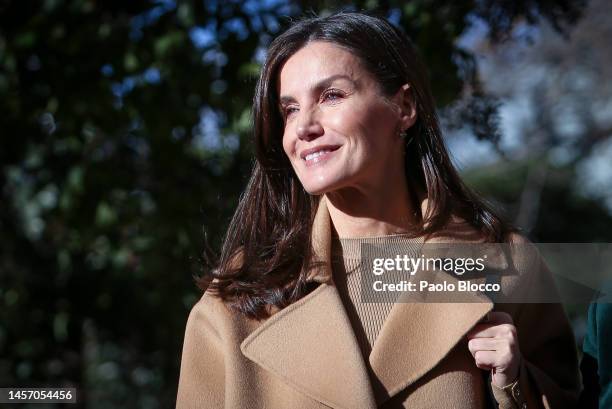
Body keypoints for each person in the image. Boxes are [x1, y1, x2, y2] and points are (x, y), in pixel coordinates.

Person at [176, 12, 581, 409]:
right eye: (290, 110)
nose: (303, 127)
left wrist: (515, 389)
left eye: (331, 96)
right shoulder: (234, 302)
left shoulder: (505, 263)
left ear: (404, 107)